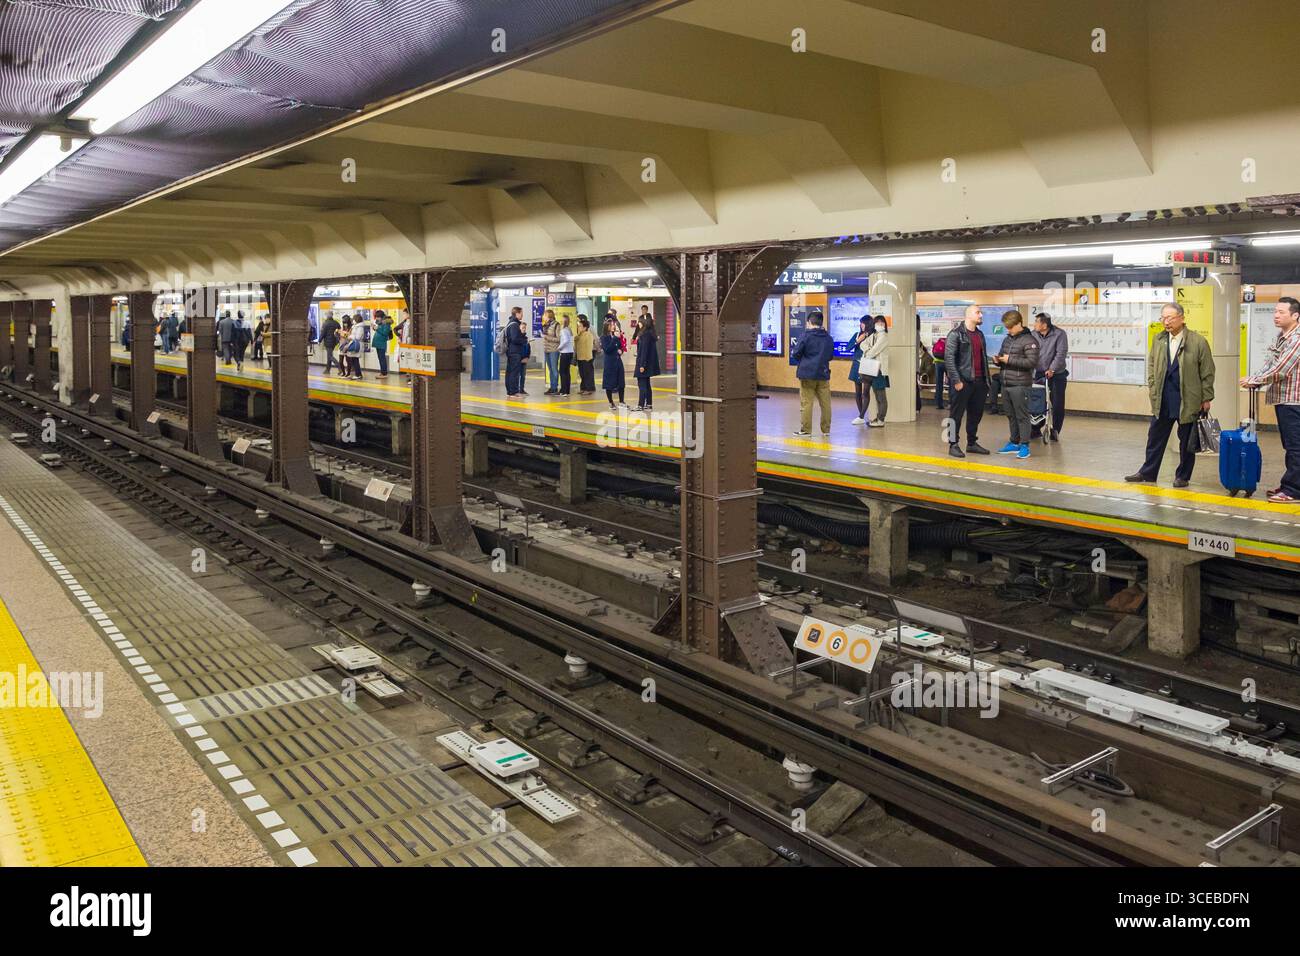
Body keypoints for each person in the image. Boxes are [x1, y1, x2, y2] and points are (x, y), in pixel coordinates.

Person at [1125, 302, 1215, 488]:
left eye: (1170, 318)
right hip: (1163, 398)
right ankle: (1148, 472)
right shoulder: (1159, 340)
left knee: (1186, 443)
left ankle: (1183, 476)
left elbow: (1207, 372)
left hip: (1188, 399)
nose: (1166, 322)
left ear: (1182, 318)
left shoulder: (1198, 342)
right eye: (1163, 318)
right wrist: (1152, 386)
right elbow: (1152, 366)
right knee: (1155, 438)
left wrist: (1206, 398)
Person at [1242, 296, 1300, 503]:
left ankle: (1293, 490)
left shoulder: (1297, 338)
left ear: (1295, 316)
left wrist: (1256, 380)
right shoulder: (1282, 337)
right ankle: (1290, 484)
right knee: (1290, 445)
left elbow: (1282, 369)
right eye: (1275, 311)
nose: (1276, 315)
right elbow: (1270, 364)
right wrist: (1254, 379)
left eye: (1281, 312)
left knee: (1295, 446)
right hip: (1283, 399)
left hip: (1295, 401)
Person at [944, 305, 992, 458]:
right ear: (968, 315)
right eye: (978, 312)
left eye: (981, 312)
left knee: (975, 414)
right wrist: (956, 380)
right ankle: (953, 444)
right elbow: (949, 359)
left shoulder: (980, 335)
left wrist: (986, 380)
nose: (981, 315)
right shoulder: (956, 334)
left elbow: (981, 357)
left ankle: (971, 443)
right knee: (955, 415)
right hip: (962, 382)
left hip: (980, 382)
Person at [991, 310, 1040, 459]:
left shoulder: (1030, 341)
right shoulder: (1007, 340)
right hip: (1006, 383)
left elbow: (1031, 363)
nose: (1009, 330)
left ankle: (1025, 445)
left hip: (1021, 385)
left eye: (1011, 327)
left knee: (1022, 416)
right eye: (1007, 327)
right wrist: (998, 360)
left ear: (1019, 324)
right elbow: (1003, 356)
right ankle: (1014, 442)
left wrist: (1009, 360)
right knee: (1010, 415)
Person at [791, 311, 834, 437]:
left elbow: (796, 353)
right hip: (823, 373)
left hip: (807, 374)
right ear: (821, 322)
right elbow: (830, 356)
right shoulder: (828, 338)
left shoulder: (805, 336)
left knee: (807, 403)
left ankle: (806, 430)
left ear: (809, 322)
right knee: (826, 403)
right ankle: (826, 430)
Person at [1031, 312, 1069, 440]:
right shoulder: (1033, 334)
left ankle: (1055, 430)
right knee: (1038, 402)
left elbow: (1060, 353)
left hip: (1057, 374)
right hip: (1040, 373)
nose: (1034, 324)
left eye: (1037, 322)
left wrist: (1052, 369)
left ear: (1044, 325)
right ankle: (1035, 429)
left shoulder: (1059, 334)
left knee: (1057, 403)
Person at [861, 315, 890, 426]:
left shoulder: (884, 336)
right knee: (877, 395)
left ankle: (881, 420)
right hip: (873, 369)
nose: (880, 325)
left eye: (882, 323)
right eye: (878, 323)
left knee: (881, 396)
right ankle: (878, 419)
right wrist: (869, 350)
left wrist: (868, 352)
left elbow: (874, 351)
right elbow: (863, 344)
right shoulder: (874, 335)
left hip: (880, 370)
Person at [847, 316, 871, 425]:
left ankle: (861, 416)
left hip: (867, 365)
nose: (861, 325)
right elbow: (848, 347)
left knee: (865, 392)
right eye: (860, 323)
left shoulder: (872, 335)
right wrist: (857, 340)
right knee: (857, 392)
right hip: (857, 365)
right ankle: (861, 415)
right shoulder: (857, 334)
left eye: (863, 323)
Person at [634, 314, 660, 410]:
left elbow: (644, 351)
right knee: (647, 384)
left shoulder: (644, 335)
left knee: (642, 384)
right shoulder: (650, 334)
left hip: (643, 363)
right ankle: (649, 404)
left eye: (639, 322)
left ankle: (640, 405)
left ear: (644, 323)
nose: (638, 323)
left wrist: (642, 365)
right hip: (649, 363)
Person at [600, 317, 626, 409]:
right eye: (611, 325)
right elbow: (607, 349)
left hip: (618, 361)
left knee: (621, 382)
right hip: (609, 363)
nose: (613, 326)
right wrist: (615, 338)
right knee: (609, 383)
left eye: (613, 325)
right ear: (607, 326)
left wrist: (621, 350)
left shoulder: (616, 336)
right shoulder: (604, 338)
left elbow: (620, 347)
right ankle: (611, 402)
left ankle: (621, 401)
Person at [504, 306, 529, 396]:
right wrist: (524, 340)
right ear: (517, 313)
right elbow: (514, 339)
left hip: (511, 350)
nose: (522, 315)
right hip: (515, 351)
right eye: (521, 313)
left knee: (510, 371)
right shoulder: (514, 325)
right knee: (514, 372)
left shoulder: (510, 323)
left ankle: (510, 391)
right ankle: (513, 392)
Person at [575, 315, 596, 394]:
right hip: (580, 357)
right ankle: (583, 388)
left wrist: (588, 357)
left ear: (585, 328)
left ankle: (589, 388)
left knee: (587, 373)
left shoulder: (588, 335)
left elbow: (589, 347)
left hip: (586, 357)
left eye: (580, 326)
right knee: (582, 374)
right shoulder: (579, 335)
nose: (578, 328)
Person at [542, 311, 561, 394]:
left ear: (549, 316)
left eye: (545, 315)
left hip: (554, 350)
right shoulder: (546, 325)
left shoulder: (557, 325)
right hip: (547, 350)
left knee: (554, 369)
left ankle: (555, 387)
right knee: (550, 369)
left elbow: (558, 339)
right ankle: (551, 387)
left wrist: (546, 337)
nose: (543, 317)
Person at [371, 309, 393, 377]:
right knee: (380, 358)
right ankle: (382, 372)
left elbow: (385, 333)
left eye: (378, 317)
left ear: (381, 317)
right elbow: (380, 330)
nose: (377, 318)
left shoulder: (386, 323)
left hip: (382, 343)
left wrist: (377, 328)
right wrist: (374, 327)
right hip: (378, 343)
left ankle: (384, 373)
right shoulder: (381, 322)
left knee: (382, 358)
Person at [558, 315, 576, 395]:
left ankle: (563, 390)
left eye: (561, 320)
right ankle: (567, 390)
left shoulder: (563, 330)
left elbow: (565, 341)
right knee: (567, 371)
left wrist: (559, 347)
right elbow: (571, 340)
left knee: (562, 371)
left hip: (565, 352)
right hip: (570, 352)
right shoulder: (569, 330)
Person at [931, 331, 947, 408]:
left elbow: (933, 351)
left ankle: (938, 404)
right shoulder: (949, 342)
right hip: (947, 363)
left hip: (937, 363)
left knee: (939, 383)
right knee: (951, 383)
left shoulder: (938, 342)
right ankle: (950, 404)